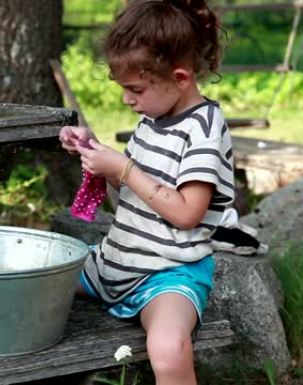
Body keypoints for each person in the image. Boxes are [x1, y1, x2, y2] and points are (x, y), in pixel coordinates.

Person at [59, 1, 232, 384]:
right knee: (28, 278)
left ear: (181, 78)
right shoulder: (154, 118)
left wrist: (122, 167)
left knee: (169, 346)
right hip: (114, 262)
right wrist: (95, 151)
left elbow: (187, 212)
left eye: (135, 89)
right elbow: (136, 188)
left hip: (167, 275)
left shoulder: (204, 130)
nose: (126, 99)